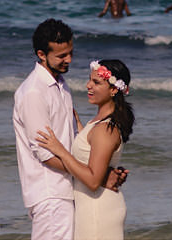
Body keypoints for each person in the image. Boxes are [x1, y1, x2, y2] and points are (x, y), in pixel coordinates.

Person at [13, 19, 126, 240]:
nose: (69, 60)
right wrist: (98, 177)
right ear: (41, 54)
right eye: (62, 56)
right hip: (50, 192)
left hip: (67, 189)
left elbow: (74, 139)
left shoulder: (61, 85)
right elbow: (45, 155)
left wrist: (100, 171)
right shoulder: (34, 93)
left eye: (70, 52)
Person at [37, 59, 135, 240]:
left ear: (114, 90)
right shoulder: (98, 122)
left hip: (97, 210)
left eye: (96, 82)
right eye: (90, 80)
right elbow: (89, 151)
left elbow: (92, 180)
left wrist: (60, 150)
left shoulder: (106, 128)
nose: (88, 85)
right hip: (93, 207)